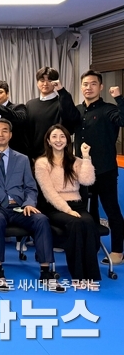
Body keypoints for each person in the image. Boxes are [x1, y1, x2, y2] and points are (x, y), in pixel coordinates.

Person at [0, 119, 65, 293]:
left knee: (41, 220)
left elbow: (30, 187)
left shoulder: (22, 159)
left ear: (10, 135)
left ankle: (46, 272)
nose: (1, 134)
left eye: (5, 131)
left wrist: (29, 203)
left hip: (19, 207)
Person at [64, 70, 124, 266]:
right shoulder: (77, 110)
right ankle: (93, 244)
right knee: (89, 210)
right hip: (82, 170)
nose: (88, 88)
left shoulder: (109, 109)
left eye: (93, 84)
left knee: (111, 209)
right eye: (85, 84)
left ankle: (118, 251)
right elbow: (65, 128)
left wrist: (119, 98)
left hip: (105, 169)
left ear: (101, 87)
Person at [35, 125, 100, 288]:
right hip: (55, 207)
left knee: (89, 223)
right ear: (48, 141)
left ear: (68, 140)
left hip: (77, 205)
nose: (58, 140)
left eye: (62, 136)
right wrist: (68, 210)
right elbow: (48, 192)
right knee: (76, 224)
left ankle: (91, 277)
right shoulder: (42, 162)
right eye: (54, 137)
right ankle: (78, 277)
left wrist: (86, 157)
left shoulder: (76, 161)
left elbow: (87, 181)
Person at [23, 67, 79, 161]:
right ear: (37, 83)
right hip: (35, 157)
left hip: (58, 156)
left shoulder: (62, 102)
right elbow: (27, 132)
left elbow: (72, 120)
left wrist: (61, 90)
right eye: (42, 80)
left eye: (49, 81)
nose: (45, 84)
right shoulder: (30, 104)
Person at [0, 80, 27, 155]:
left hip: (17, 152)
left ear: (7, 94)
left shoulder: (19, 107)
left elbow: (20, 119)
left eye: (0, 92)